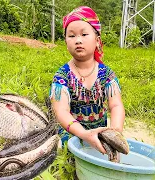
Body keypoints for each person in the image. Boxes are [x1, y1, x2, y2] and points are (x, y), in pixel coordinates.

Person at [49, 6, 125, 154]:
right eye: (71, 36)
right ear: (65, 42)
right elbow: (61, 111)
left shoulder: (106, 75)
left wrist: (115, 132)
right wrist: (83, 134)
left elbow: (116, 105)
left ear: (97, 41)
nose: (78, 40)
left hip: (100, 141)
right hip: (71, 140)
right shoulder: (62, 77)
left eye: (84, 34)